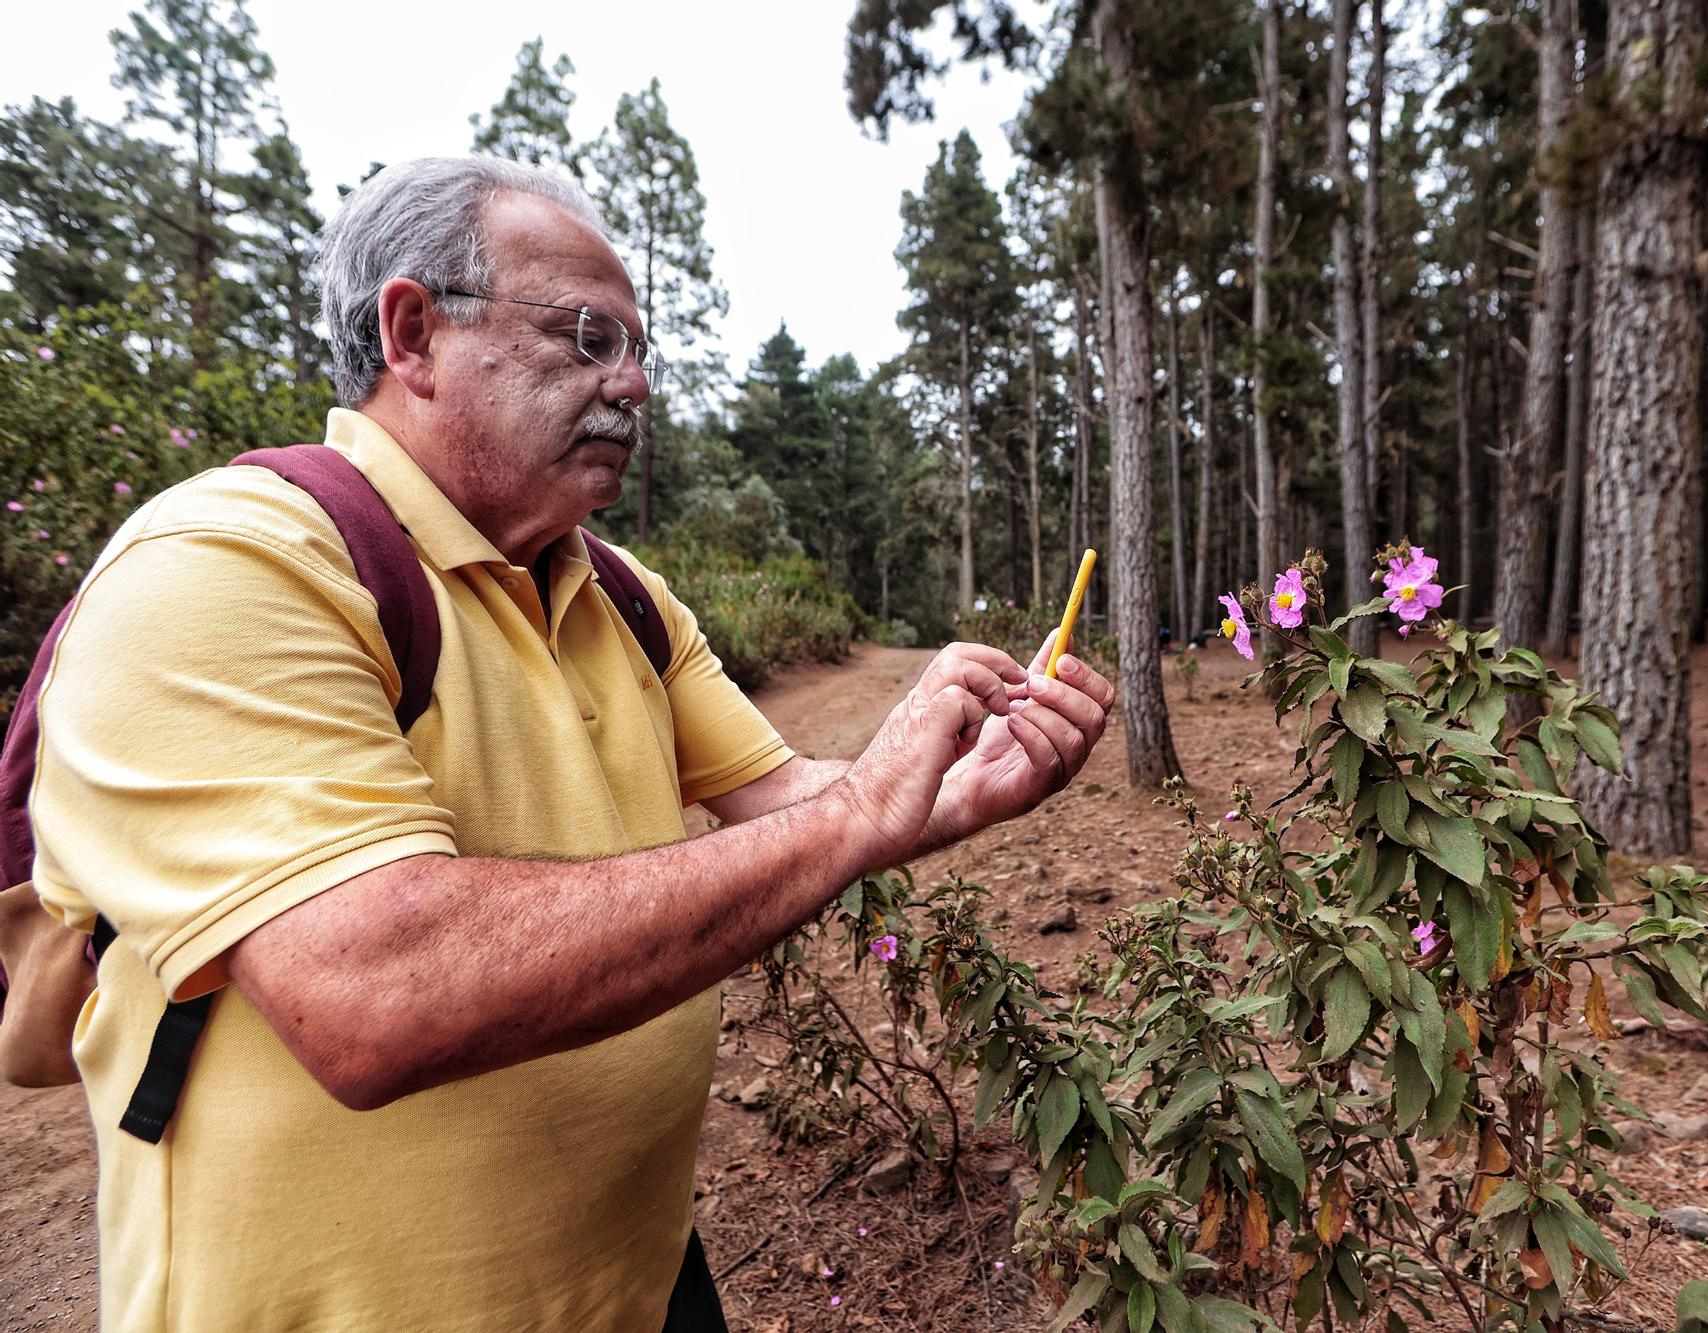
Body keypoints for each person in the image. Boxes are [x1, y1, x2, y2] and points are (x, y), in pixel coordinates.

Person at [27, 156, 1113, 1332]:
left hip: (635, 1283)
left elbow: (785, 794)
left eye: (640, 349)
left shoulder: (620, 594)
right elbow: (373, 991)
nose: (634, 383)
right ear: (413, 334)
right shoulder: (224, 568)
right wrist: (859, 817)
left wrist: (942, 785)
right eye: (588, 336)